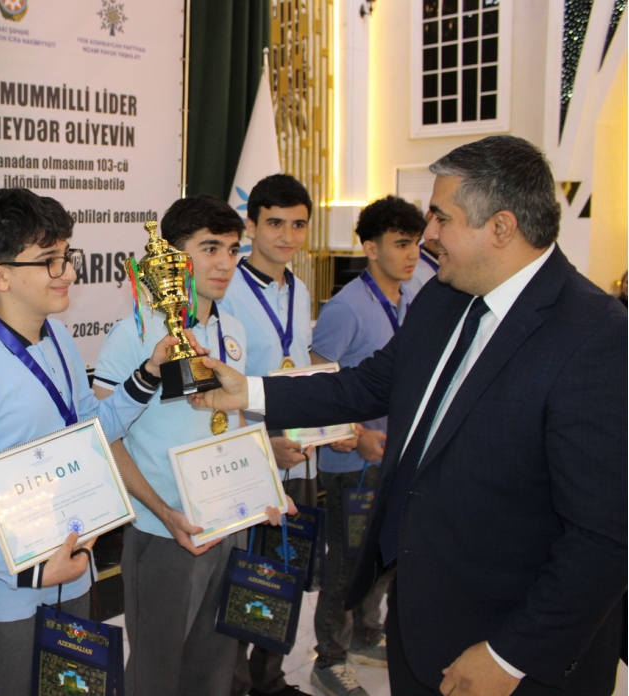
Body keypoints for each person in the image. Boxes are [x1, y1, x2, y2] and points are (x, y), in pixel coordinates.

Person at [189, 135, 627, 696]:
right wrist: (248, 391)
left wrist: (510, 655)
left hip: (509, 645)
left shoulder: (596, 337)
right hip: (420, 615)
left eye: (441, 218)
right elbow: (368, 384)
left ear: (501, 227)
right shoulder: (445, 296)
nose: (429, 236)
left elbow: (604, 536)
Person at [0, 189, 181, 696]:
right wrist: (31, 572)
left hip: (75, 567)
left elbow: (92, 432)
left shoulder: (58, 338)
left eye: (67, 255)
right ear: (0, 276)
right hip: (7, 592)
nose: (68, 272)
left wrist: (148, 373)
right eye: (49, 260)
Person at [93, 195, 254, 696]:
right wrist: (163, 512)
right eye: (210, 248)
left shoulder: (232, 329)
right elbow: (104, 438)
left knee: (215, 668)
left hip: (229, 522)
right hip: (165, 533)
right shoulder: (134, 335)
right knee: (156, 676)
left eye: (233, 249)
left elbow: (235, 421)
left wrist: (262, 487)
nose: (225, 263)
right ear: (173, 257)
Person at [308, 196, 426, 696]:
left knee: (386, 554)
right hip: (351, 462)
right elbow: (319, 383)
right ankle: (329, 658)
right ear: (370, 248)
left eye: (416, 243)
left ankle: (366, 634)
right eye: (401, 244)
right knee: (347, 563)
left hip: (399, 455)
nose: (412, 254)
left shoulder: (416, 296)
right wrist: (358, 436)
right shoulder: (346, 307)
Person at [219, 173, 316, 696]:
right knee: (245, 570)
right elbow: (219, 390)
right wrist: (260, 448)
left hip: (296, 443)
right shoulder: (227, 289)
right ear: (251, 226)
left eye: (298, 225)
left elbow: (300, 365)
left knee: (287, 564)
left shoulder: (299, 289)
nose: (287, 235)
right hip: (248, 443)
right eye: (275, 223)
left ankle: (270, 677)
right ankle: (236, 684)